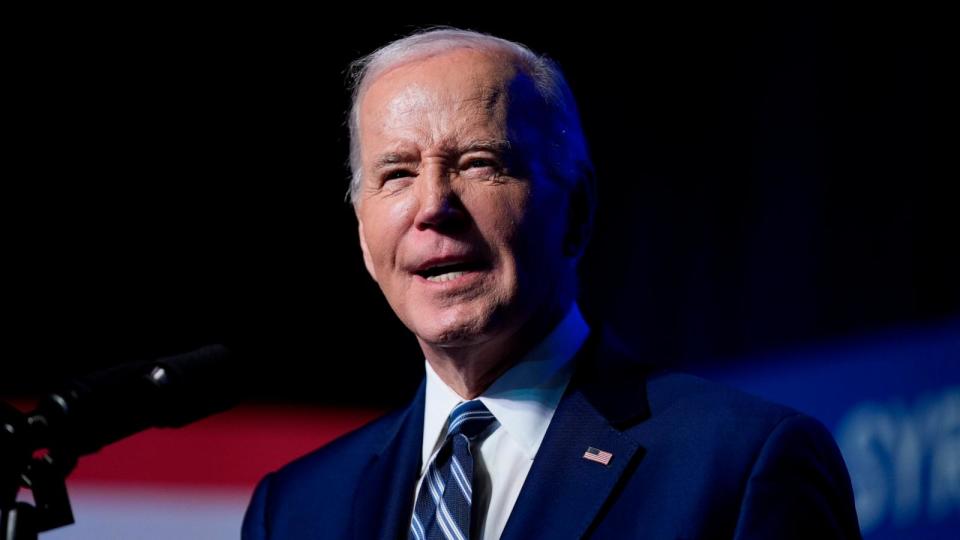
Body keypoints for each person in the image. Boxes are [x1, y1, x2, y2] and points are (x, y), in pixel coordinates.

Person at [242, 28, 862, 539]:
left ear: (578, 210)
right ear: (362, 235)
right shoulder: (295, 511)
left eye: (479, 163)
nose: (433, 206)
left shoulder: (742, 465)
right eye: (397, 174)